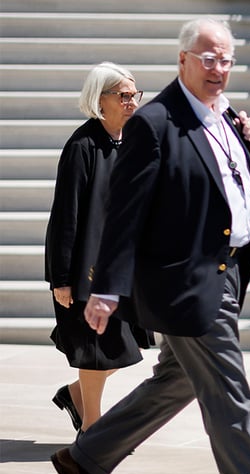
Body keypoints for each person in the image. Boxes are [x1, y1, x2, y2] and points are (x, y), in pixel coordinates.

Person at [49, 18, 250, 474]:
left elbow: (222, 189)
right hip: (185, 280)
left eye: (226, 60)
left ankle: (86, 457)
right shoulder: (154, 123)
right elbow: (123, 211)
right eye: (208, 59)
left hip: (225, 271)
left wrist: (248, 149)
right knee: (230, 398)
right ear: (183, 60)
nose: (218, 69)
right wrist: (107, 287)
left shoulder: (228, 117)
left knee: (177, 380)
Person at [45, 62, 153, 436]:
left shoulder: (133, 143)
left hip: (124, 268)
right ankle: (92, 429)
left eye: (134, 94)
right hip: (86, 270)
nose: (132, 102)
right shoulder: (81, 147)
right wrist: (60, 277)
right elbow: (65, 216)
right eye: (123, 95)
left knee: (119, 349)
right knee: (96, 350)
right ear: (100, 99)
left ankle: (76, 396)